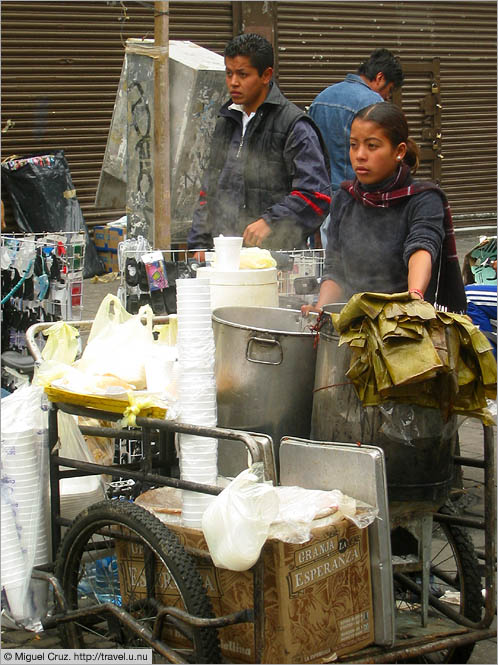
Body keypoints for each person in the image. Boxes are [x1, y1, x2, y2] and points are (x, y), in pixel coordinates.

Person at [302, 102, 467, 315]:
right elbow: (335, 269)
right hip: (354, 323)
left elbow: (422, 247)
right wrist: (320, 309)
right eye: (353, 145)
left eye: (372, 146)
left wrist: (413, 298)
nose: (360, 155)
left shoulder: (423, 199)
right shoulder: (345, 197)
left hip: (406, 323)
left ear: (399, 151)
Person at [187, 33, 331, 253]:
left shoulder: (294, 125)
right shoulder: (226, 121)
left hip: (278, 260)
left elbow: (316, 196)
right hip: (226, 256)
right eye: (229, 73)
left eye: (243, 74)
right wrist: (199, 244)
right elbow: (209, 190)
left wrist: (271, 222)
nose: (233, 82)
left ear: (266, 75)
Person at [309, 49, 404, 247]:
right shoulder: (372, 104)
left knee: (324, 267)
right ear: (380, 78)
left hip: (319, 198)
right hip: (356, 201)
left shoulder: (322, 97)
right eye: (390, 90)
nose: (387, 97)